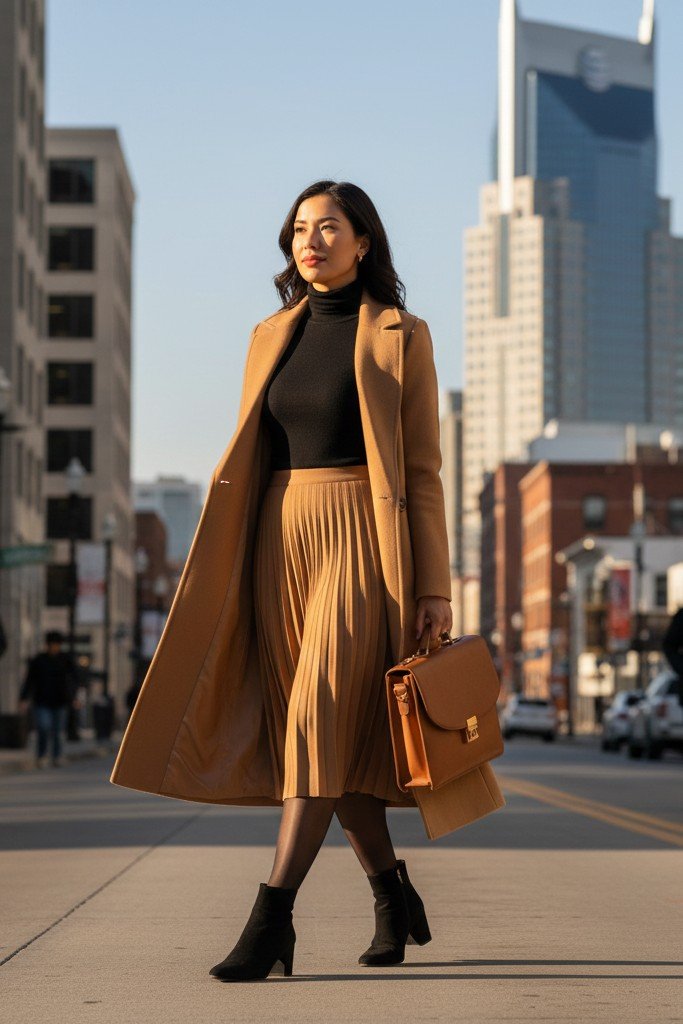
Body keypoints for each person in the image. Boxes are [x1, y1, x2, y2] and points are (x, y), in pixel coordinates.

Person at [203, 181, 452, 981]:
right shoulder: (268, 334)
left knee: (316, 721)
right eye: (299, 229)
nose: (310, 240)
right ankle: (391, 895)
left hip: (360, 534)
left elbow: (422, 470)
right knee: (327, 744)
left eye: (328, 227)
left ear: (363, 242)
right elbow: (254, 453)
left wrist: (433, 589)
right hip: (280, 539)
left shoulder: (399, 335)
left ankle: (271, 915)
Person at [18, 630, 80, 768]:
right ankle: (41, 755)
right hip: (41, 701)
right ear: (47, 645)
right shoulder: (39, 660)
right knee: (43, 728)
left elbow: (74, 680)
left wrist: (74, 697)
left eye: (56, 644)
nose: (54, 647)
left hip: (61, 700)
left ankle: (56, 756)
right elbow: (29, 680)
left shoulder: (66, 660)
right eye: (52, 644)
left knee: (57, 731)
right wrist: (24, 698)